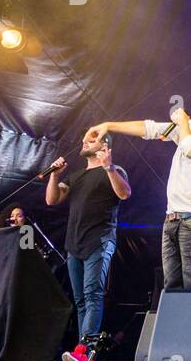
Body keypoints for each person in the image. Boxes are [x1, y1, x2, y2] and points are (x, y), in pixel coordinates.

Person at [84, 80, 191, 290]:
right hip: (172, 218)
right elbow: (150, 128)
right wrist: (109, 125)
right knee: (171, 287)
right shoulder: (190, 127)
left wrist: (182, 122)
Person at [44, 132, 131, 338]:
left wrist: (108, 167)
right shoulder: (76, 177)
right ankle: (82, 355)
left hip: (99, 241)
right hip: (75, 244)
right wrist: (55, 175)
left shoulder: (115, 170)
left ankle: (84, 353)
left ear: (105, 146)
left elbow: (124, 193)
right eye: (84, 140)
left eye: (91, 140)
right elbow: (51, 199)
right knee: (80, 300)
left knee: (92, 295)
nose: (84, 142)